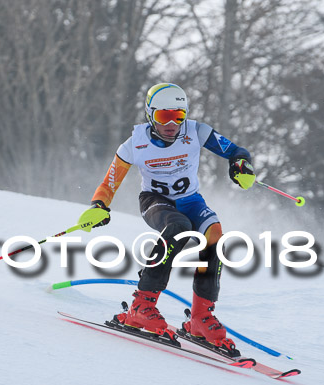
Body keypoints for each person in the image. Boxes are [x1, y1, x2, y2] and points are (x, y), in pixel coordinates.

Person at [78, 83, 256, 354]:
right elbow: (109, 183)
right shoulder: (134, 144)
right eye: (163, 117)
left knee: (215, 234)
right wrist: (99, 205)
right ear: (150, 115)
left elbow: (235, 151)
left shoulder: (196, 131)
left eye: (179, 115)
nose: (172, 123)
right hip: (155, 202)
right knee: (179, 227)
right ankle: (142, 305)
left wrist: (240, 165)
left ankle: (200, 317)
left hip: (192, 201)